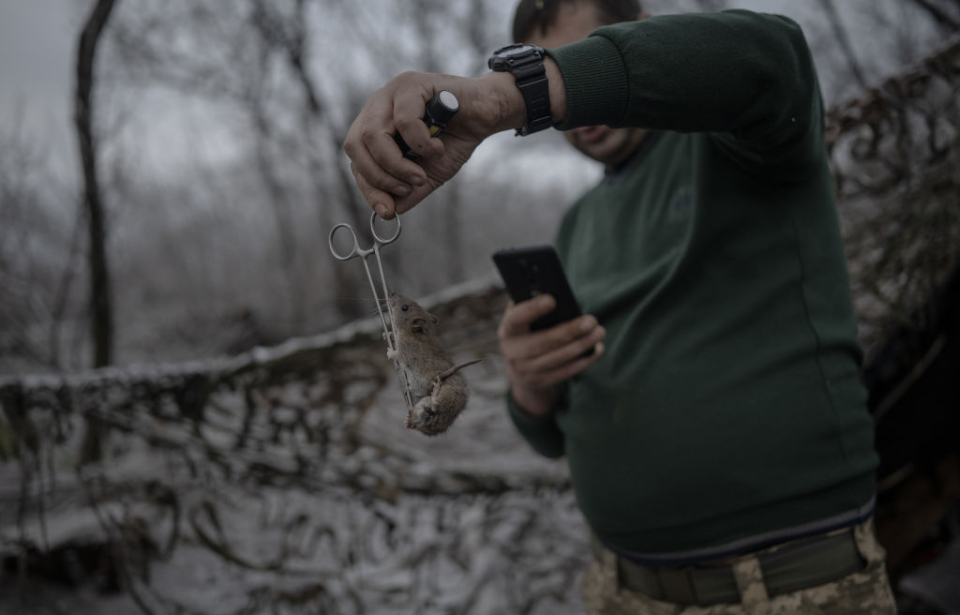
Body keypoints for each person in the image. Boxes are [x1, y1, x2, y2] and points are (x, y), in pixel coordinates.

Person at [344, 1, 898, 612]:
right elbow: (553, 434)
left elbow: (773, 55)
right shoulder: (579, 224)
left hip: (793, 582)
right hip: (624, 587)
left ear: (641, 41)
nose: (578, 103)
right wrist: (531, 385)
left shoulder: (744, 140)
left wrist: (514, 93)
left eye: (579, 60)